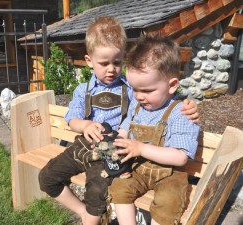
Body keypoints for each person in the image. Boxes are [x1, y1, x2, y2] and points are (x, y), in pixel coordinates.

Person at [39, 16, 199, 225]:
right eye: (104, 63)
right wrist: (85, 125)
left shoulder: (131, 89)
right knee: (47, 177)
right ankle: (84, 213)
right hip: (87, 144)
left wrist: (190, 105)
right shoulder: (85, 91)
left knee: (97, 192)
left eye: (116, 62)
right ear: (89, 61)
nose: (111, 69)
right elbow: (72, 118)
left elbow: (163, 97)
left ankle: (92, 218)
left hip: (112, 151)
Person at [108, 34, 200, 225]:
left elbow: (181, 157)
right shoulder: (136, 106)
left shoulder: (181, 112)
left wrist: (140, 148)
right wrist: (112, 142)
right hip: (140, 167)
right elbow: (124, 132)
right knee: (119, 187)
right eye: (135, 89)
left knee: (168, 202)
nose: (139, 96)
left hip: (170, 174)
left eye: (147, 90)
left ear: (172, 85)